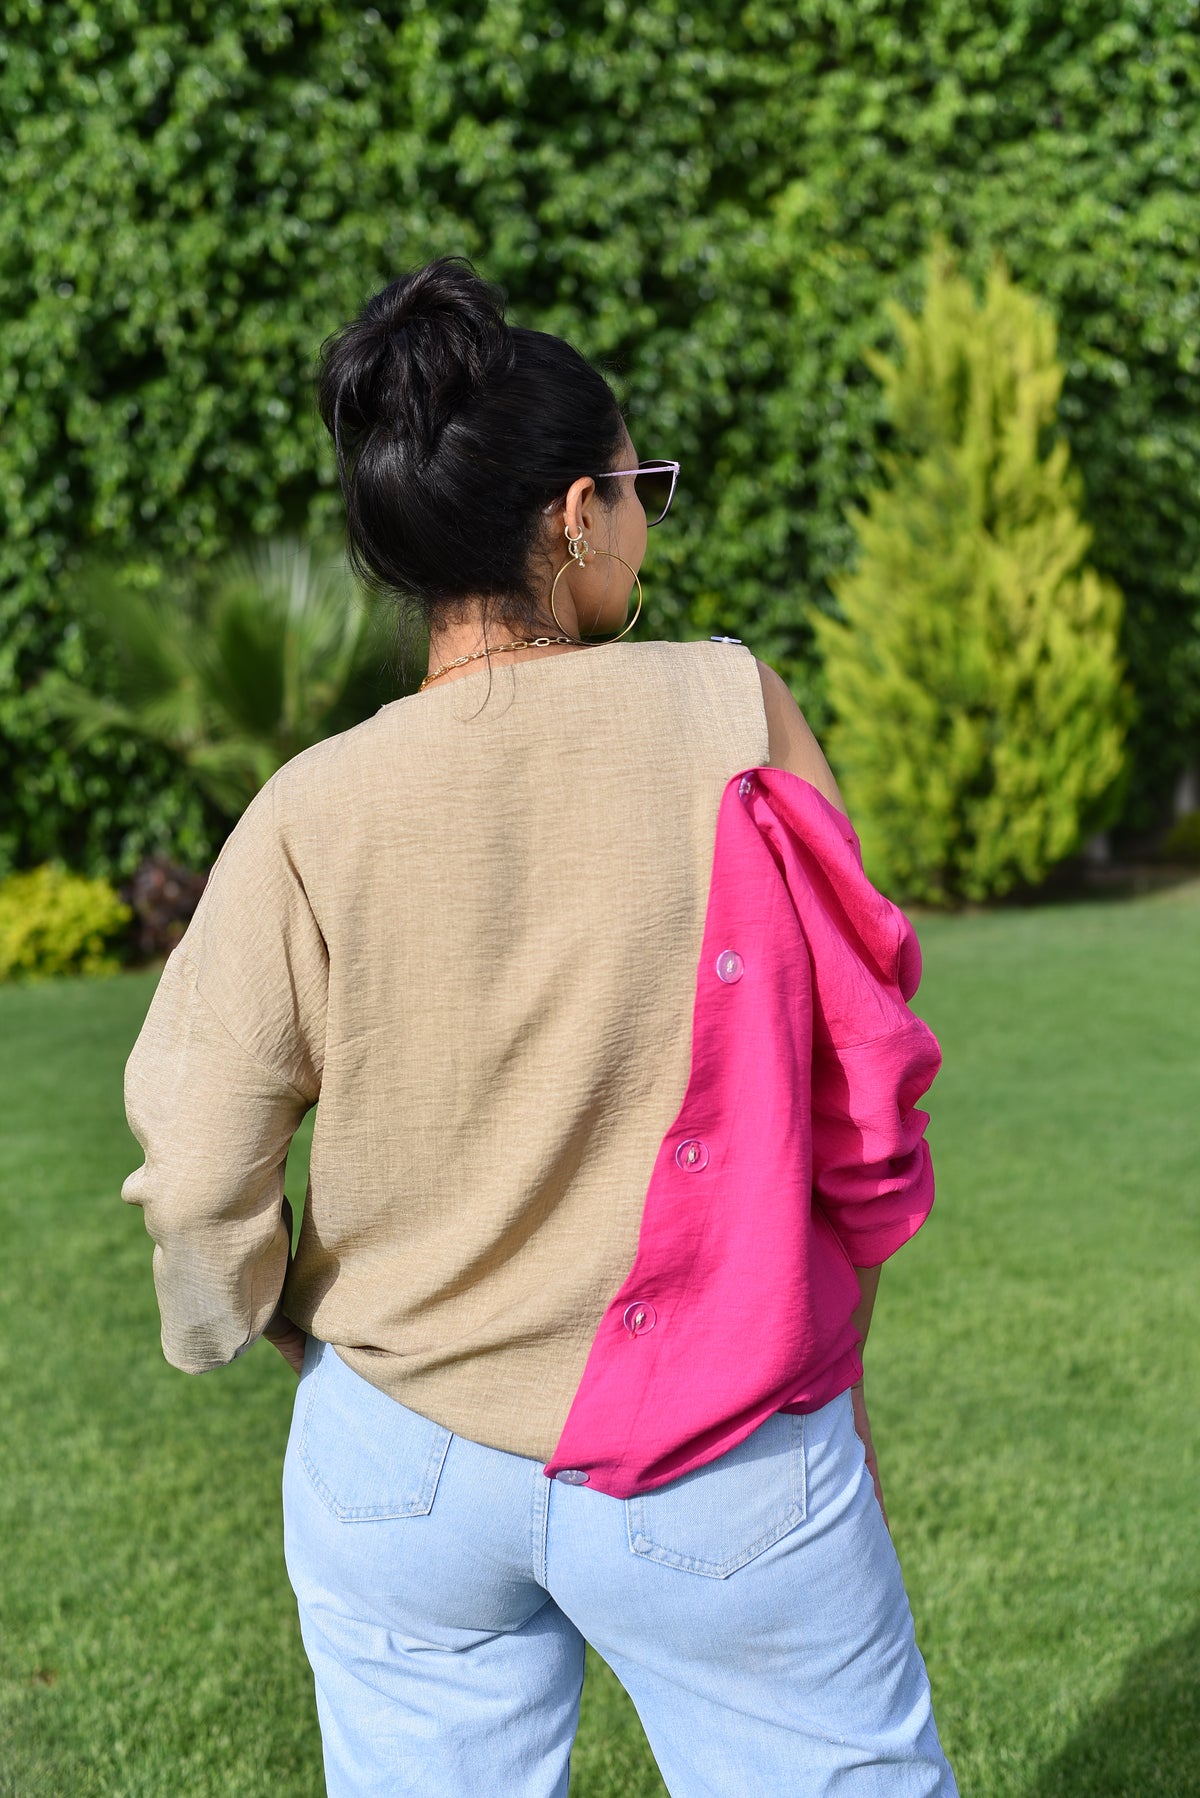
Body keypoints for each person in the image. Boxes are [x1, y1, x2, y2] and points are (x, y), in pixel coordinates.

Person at [121, 255, 959, 1796]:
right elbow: (866, 1057)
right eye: (641, 486)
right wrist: (824, 1332)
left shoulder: (311, 810)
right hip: (723, 1437)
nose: (647, 517)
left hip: (400, 1454)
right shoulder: (733, 709)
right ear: (575, 514)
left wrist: (251, 1317)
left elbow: (195, 1167)